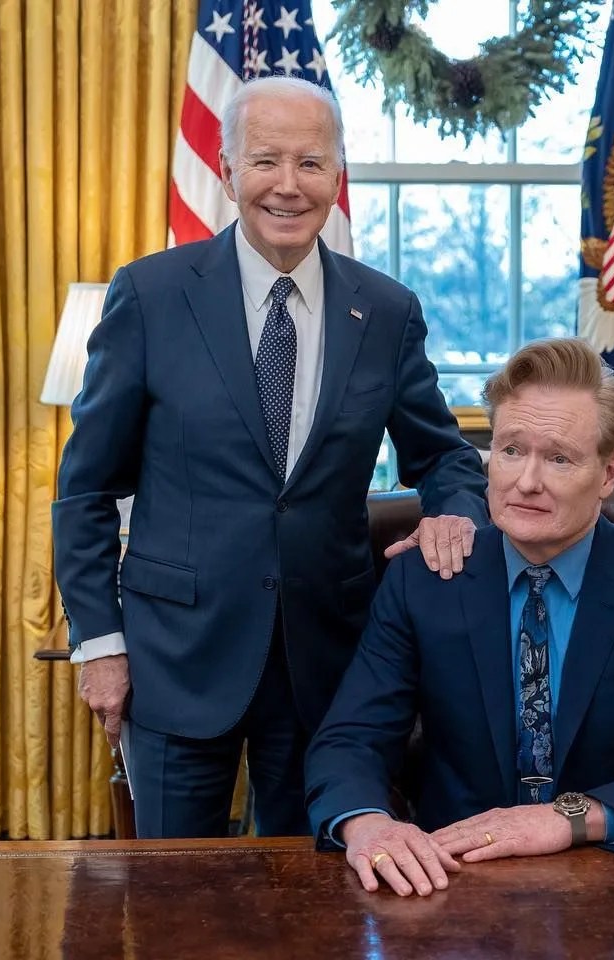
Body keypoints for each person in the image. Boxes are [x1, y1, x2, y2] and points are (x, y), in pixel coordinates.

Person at [53, 76, 488, 840]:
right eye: (266, 161)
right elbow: (85, 491)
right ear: (227, 172)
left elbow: (444, 455)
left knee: (309, 890)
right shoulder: (150, 297)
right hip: (176, 660)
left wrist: (456, 511)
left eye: (311, 163)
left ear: (337, 177)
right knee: (177, 896)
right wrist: (101, 645)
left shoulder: (386, 311)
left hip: (324, 663)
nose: (289, 185)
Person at [305, 337, 614, 895]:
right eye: (511, 450)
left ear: (607, 473)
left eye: (559, 458)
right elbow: (348, 742)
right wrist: (368, 824)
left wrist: (574, 818)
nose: (526, 481)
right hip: (450, 883)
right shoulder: (425, 581)